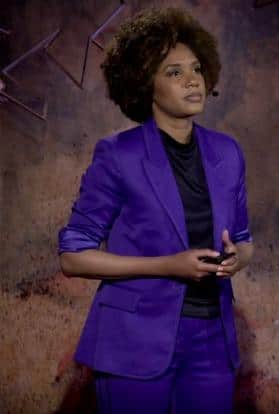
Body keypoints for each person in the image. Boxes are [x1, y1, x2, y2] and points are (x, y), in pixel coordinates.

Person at [57, 7, 253, 413]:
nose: (192, 79)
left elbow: (246, 241)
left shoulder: (228, 153)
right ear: (145, 83)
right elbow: (73, 256)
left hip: (212, 341)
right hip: (133, 340)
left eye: (196, 68)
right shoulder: (117, 155)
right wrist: (167, 265)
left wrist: (237, 259)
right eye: (174, 72)